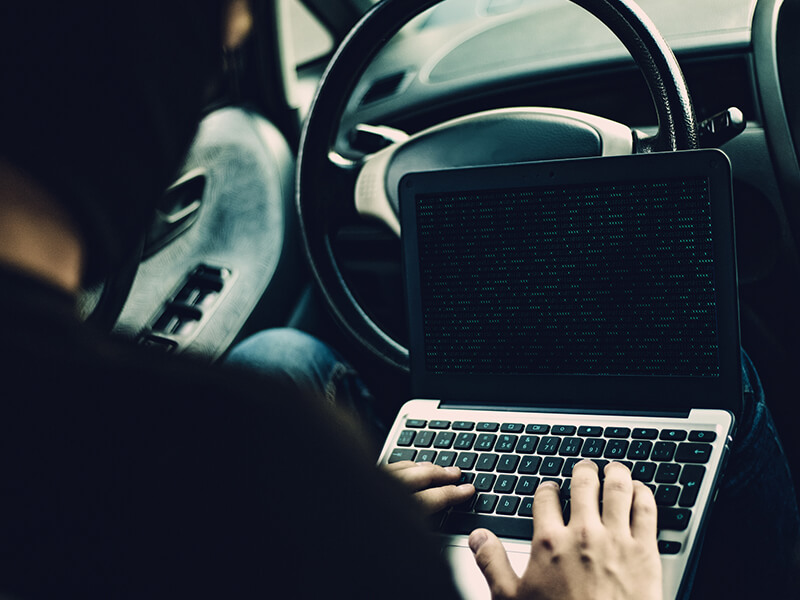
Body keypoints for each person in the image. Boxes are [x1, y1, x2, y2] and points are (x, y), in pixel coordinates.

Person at [0, 1, 669, 599]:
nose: (237, 29)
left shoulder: (234, 483)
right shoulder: (270, 476)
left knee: (278, 355)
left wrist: (356, 512)